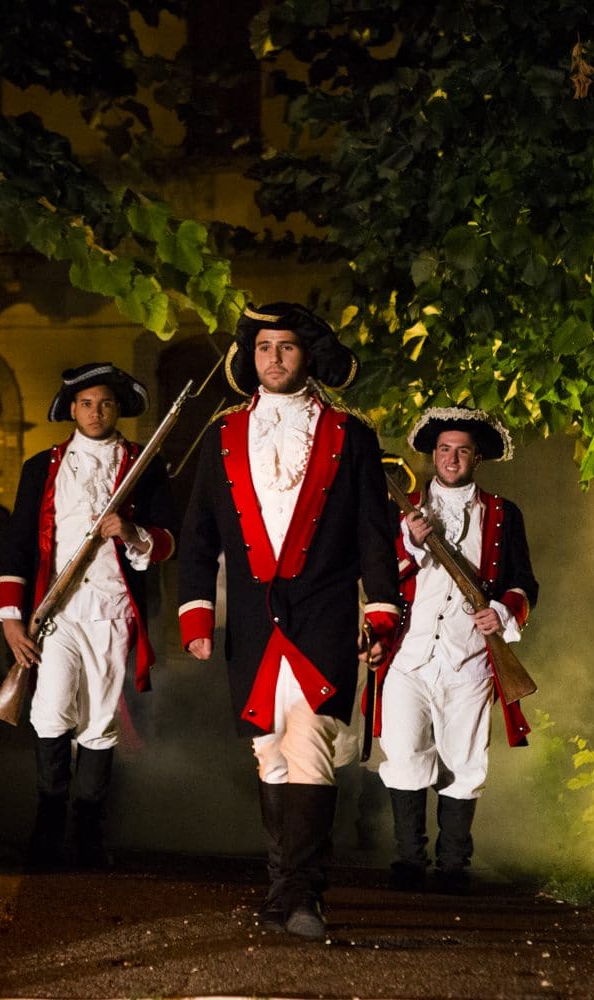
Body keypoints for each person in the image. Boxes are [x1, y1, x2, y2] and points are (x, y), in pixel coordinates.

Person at [178, 302, 400, 939]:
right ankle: (283, 891)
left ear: (308, 357)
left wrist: (381, 612)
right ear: (250, 357)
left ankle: (305, 894)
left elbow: (373, 534)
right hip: (252, 618)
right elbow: (198, 536)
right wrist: (197, 614)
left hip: (326, 610)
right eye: (263, 348)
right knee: (270, 749)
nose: (273, 359)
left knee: (309, 741)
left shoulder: (351, 434)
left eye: (287, 347)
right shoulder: (221, 434)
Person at [0, 363, 176, 868]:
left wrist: (131, 532)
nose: (96, 412)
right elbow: (17, 544)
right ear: (72, 409)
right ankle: (47, 828)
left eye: (106, 404)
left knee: (99, 720)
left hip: (112, 611)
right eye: (87, 404)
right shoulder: (41, 467)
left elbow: (167, 540)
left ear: (118, 410)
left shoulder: (144, 465)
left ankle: (90, 835)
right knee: (51, 711)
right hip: (55, 613)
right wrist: (11, 617)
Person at [373, 406, 538, 894]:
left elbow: (523, 582)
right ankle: (409, 859)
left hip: (468, 660)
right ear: (433, 455)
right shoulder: (403, 512)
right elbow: (378, 573)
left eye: (462, 450)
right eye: (444, 449)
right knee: (403, 751)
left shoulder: (505, 514)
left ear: (477, 457)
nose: (451, 458)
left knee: (464, 761)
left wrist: (502, 612)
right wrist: (411, 542)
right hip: (409, 656)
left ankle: (452, 866)